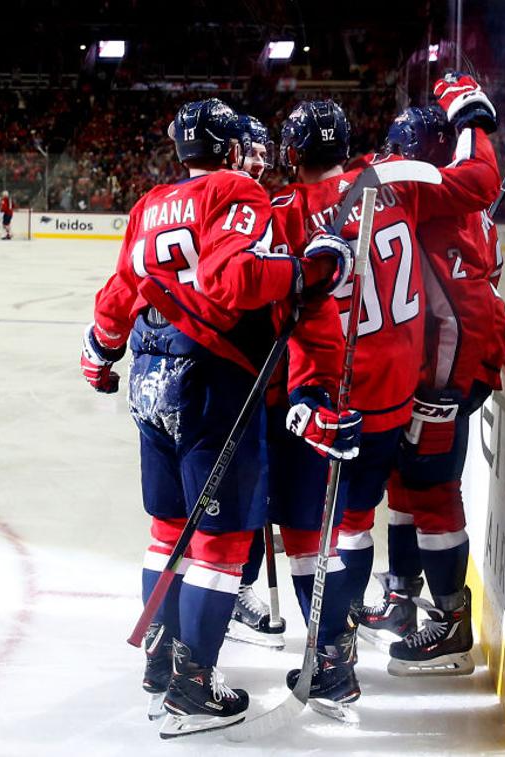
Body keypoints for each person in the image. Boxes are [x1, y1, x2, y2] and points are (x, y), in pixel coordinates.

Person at [81, 98, 356, 738]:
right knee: (223, 542)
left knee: (166, 527)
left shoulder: (150, 202)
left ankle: (162, 659)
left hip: (151, 378)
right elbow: (232, 281)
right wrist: (314, 267)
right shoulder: (235, 190)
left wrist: (100, 347)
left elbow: (122, 286)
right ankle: (192, 687)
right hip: (211, 378)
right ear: (232, 149)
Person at [267, 74, 501, 713]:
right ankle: (391, 605)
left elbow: (274, 307)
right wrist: (469, 111)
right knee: (388, 502)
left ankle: (336, 665)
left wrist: (301, 400)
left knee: (345, 526)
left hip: (343, 397)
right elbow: (480, 183)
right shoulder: (389, 177)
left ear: (292, 156)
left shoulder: (288, 213)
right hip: (402, 392)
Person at [355, 105, 505, 676]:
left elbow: (461, 313)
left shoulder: (444, 202)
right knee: (406, 484)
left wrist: (443, 390)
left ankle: (450, 624)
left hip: (446, 377)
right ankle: (400, 599)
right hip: (429, 373)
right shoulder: (452, 201)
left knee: (434, 493)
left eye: (403, 158)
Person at [222, 114, 287, 650]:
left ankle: (236, 588)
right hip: (220, 375)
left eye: (267, 152)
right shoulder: (220, 211)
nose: (260, 162)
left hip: (258, 374)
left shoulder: (265, 209)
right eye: (252, 152)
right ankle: (205, 600)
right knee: (216, 495)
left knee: (253, 494)